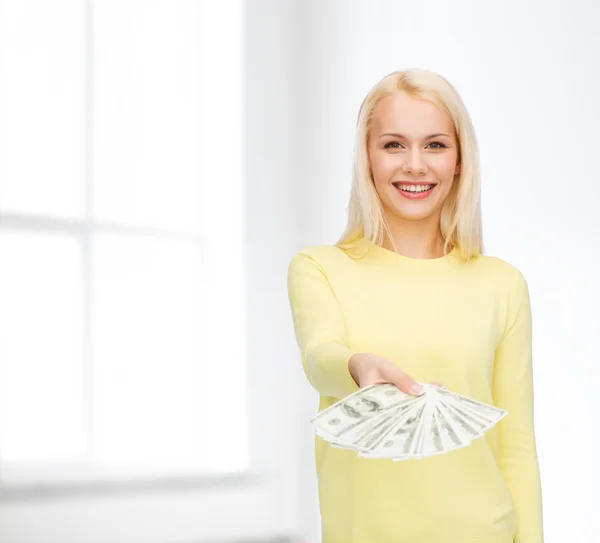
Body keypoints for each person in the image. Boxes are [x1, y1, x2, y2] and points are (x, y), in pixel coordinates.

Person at [287, 68, 544, 543]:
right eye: (393, 145)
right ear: (367, 158)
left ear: (460, 160)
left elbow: (517, 446)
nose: (415, 165)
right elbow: (320, 357)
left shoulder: (502, 284)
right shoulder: (319, 267)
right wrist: (356, 366)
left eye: (435, 145)